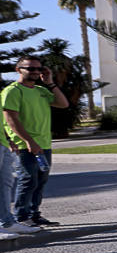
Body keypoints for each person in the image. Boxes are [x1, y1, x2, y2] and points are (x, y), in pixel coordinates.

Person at [2, 57, 68, 229]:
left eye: (39, 69)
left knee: (40, 179)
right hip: (25, 145)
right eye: (30, 69)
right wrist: (29, 141)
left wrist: (50, 82)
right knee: (28, 179)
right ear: (18, 70)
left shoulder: (41, 90)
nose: (35, 72)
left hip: (44, 143)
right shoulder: (12, 91)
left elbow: (63, 104)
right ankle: (21, 217)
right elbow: (11, 120)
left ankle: (34, 214)